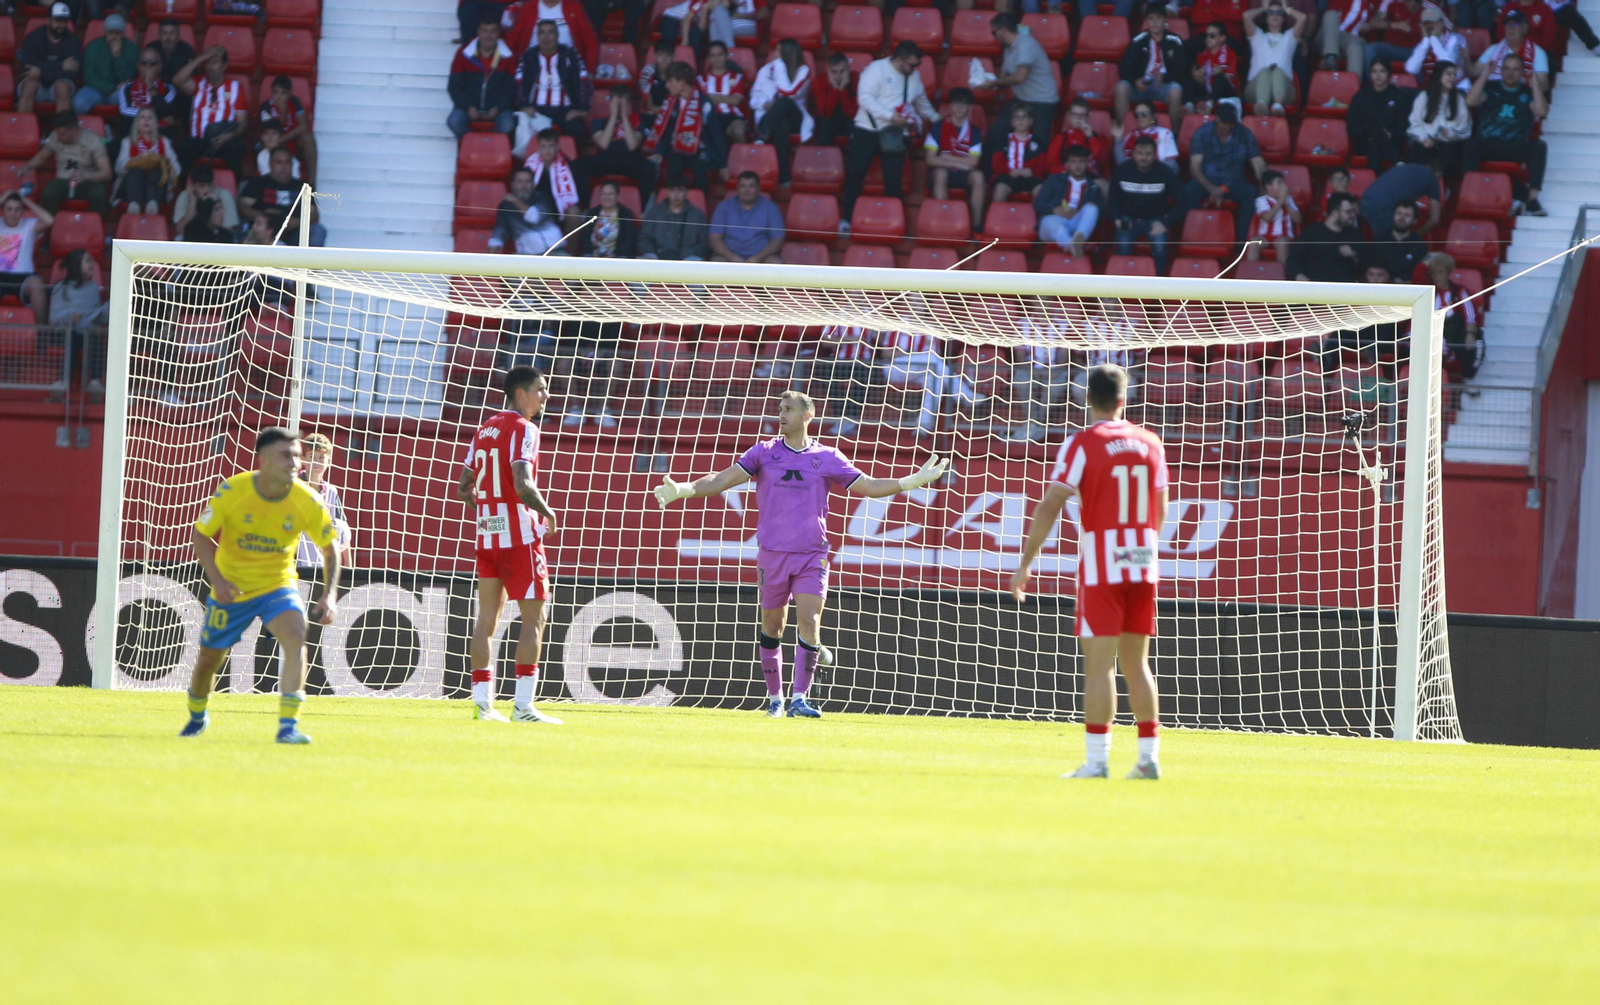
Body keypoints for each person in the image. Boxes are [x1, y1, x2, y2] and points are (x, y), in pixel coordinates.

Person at [653, 392, 949, 718]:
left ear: (808, 415)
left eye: (789, 409)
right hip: (772, 554)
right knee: (773, 625)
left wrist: (911, 481)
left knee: (810, 620)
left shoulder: (827, 456)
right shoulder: (763, 452)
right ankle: (775, 699)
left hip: (812, 555)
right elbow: (722, 479)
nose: (781, 414)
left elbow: (868, 486)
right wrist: (685, 489)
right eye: (780, 409)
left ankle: (799, 699)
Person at [1008, 363, 1167, 781]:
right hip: (1143, 559)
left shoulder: (1082, 443)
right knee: (1138, 664)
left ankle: (1097, 763)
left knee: (1100, 666)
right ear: (1124, 399)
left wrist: (1025, 563)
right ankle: (1148, 759)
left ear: (1087, 398)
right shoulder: (1150, 442)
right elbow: (1161, 507)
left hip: (1102, 563)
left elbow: (1050, 504)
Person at [180, 427, 341, 744]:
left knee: (296, 636)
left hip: (277, 585)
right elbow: (200, 535)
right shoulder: (233, 490)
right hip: (233, 590)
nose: (295, 463)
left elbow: (330, 548)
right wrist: (218, 581)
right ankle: (197, 716)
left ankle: (288, 727)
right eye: (285, 456)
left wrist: (330, 594)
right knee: (209, 661)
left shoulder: (307, 499)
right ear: (263, 460)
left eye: (297, 456)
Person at [457, 367, 565, 723]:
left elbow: (464, 486)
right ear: (521, 394)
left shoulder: (485, 428)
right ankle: (523, 707)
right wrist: (548, 512)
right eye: (541, 389)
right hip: (519, 538)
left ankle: (483, 706)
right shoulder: (524, 428)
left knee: (487, 619)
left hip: (487, 535)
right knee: (535, 618)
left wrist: (488, 508)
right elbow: (522, 483)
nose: (546, 396)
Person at [840, 42, 937, 231]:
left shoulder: (914, 76)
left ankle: (894, 222)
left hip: (895, 133)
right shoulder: (876, 70)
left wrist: (938, 120)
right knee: (855, 174)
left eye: (918, 65)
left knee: (893, 179)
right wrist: (889, 116)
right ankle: (848, 219)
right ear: (899, 60)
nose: (916, 69)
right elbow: (865, 99)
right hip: (867, 129)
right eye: (912, 65)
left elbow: (922, 103)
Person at [1465, 52, 1548, 216]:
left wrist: (1534, 84)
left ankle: (1532, 200)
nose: (1511, 73)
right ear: (1501, 70)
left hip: (1514, 146)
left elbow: (1542, 111)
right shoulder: (1490, 87)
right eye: (1507, 69)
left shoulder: (1527, 92)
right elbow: (1470, 101)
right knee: (1471, 145)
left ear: (1522, 72)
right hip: (1488, 143)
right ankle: (1471, 190)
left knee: (1539, 147)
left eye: (1516, 69)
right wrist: (1485, 74)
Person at [1184, 102, 1266, 241]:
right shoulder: (1202, 133)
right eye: (1224, 123)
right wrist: (1211, 188)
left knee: (1252, 193)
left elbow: (1257, 162)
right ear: (1217, 118)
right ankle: (1191, 236)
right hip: (1207, 181)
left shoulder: (1244, 133)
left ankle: (1241, 241)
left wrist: (1264, 183)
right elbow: (1194, 167)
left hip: (1234, 182)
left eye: (1231, 124)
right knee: (1188, 191)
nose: (1227, 127)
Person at [643, 61, 726, 194]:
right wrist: (659, 152)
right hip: (677, 148)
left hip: (700, 148)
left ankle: (700, 203)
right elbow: (667, 131)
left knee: (701, 172)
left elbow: (716, 133)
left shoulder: (703, 102)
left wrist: (723, 164)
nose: (667, 85)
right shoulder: (671, 102)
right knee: (673, 170)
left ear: (682, 82)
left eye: (670, 81)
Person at [883, 330, 986, 438]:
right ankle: (965, 395)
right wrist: (912, 354)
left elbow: (935, 357)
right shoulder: (898, 327)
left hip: (921, 371)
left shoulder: (930, 331)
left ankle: (923, 426)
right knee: (931, 359)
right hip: (895, 368)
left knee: (936, 379)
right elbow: (885, 353)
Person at [990, 13, 1060, 156]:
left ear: (1002, 31)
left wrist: (993, 83)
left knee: (1039, 143)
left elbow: (1020, 77)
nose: (994, 37)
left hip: (1043, 100)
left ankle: (1036, 170)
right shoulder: (1008, 48)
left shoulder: (1025, 44)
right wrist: (988, 82)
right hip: (1022, 98)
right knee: (996, 132)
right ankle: (994, 168)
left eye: (994, 32)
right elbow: (1004, 76)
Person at [1110, 135, 1181, 274]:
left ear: (1155, 155)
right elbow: (1112, 198)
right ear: (1133, 154)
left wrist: (1165, 223)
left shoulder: (1165, 172)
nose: (1143, 157)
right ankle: (1122, 283)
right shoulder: (1122, 170)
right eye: (1140, 153)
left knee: (1160, 246)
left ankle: (1158, 282)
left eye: (1148, 154)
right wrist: (1116, 218)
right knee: (1122, 244)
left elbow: (1182, 201)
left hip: (1156, 219)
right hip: (1128, 218)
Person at [19, 112, 113, 214]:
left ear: (74, 130)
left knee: (98, 194)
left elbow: (107, 173)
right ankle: (50, 223)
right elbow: (42, 156)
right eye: (57, 133)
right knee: (49, 193)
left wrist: (85, 176)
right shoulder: (54, 137)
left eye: (63, 134)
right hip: (63, 180)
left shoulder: (94, 141)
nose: (59, 137)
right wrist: (27, 166)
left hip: (87, 181)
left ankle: (95, 223)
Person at [174, 45, 247, 174]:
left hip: (224, 141)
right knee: (184, 147)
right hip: (199, 141)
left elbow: (243, 123)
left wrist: (228, 136)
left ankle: (235, 185)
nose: (209, 67)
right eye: (207, 62)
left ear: (224, 66)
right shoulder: (198, 83)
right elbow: (176, 81)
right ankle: (184, 185)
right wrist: (201, 57)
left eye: (214, 62)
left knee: (236, 147)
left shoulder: (235, 87)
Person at [575, 85, 653, 203]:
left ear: (629, 104)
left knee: (650, 168)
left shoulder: (639, 122)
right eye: (616, 104)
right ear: (610, 103)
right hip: (605, 160)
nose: (619, 107)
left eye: (623, 104)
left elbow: (632, 146)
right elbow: (603, 144)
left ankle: (640, 206)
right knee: (578, 165)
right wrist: (613, 117)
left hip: (629, 161)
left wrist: (625, 117)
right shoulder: (599, 122)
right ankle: (586, 205)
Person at [515, 19, 592, 138]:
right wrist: (522, 106)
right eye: (542, 32)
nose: (546, 37)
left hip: (564, 109)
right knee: (515, 125)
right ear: (537, 36)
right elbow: (519, 81)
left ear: (557, 35)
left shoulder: (569, 54)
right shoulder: (529, 55)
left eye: (550, 32)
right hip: (536, 109)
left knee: (577, 128)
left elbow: (584, 80)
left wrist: (580, 109)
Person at [1115, 7, 1187, 134]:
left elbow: (1182, 68)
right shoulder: (1138, 39)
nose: (1154, 22)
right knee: (1121, 87)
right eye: (1151, 18)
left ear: (1165, 20)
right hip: (1141, 86)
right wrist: (1135, 81)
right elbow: (1124, 67)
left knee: (1176, 90)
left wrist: (1165, 77)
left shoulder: (1175, 40)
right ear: (1146, 21)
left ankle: (1174, 135)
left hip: (1163, 85)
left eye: (1158, 18)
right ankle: (1125, 134)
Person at [750, 39, 812, 184]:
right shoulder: (765, 70)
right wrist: (764, 103)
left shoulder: (803, 71)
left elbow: (788, 93)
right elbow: (753, 97)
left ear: (787, 54)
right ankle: (783, 176)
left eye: (778, 50)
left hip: (796, 118)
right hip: (771, 118)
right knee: (782, 123)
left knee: (784, 102)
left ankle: (763, 136)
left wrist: (779, 66)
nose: (774, 53)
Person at [924, 86, 984, 231]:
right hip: (942, 171)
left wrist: (947, 158)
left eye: (964, 104)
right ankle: (942, 222)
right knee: (941, 173)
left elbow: (973, 162)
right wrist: (960, 163)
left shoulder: (974, 131)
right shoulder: (938, 127)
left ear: (969, 108)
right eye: (956, 103)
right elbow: (930, 159)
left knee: (978, 177)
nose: (959, 107)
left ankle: (976, 225)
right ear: (950, 105)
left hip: (962, 173)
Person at [47, 247, 106, 393]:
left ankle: (95, 381)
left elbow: (95, 315)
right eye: (87, 261)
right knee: (73, 337)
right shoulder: (61, 288)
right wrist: (70, 317)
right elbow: (53, 318)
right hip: (63, 333)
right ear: (76, 265)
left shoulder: (93, 288)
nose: (91, 265)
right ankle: (63, 381)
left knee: (92, 339)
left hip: (86, 332)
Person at [239, 146, 325, 245]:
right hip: (264, 233)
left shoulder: (303, 187)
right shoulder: (258, 184)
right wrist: (263, 217)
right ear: (270, 164)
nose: (283, 166)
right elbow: (243, 206)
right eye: (279, 162)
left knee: (318, 230)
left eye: (287, 162)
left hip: (294, 233)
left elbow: (314, 214)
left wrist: (295, 223)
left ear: (292, 165)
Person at [450, 18, 518, 138]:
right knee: (454, 121)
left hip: (498, 109)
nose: (488, 35)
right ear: (478, 32)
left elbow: (511, 89)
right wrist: (468, 107)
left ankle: (492, 145)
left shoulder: (508, 56)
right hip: (469, 107)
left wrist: (497, 108)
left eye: (493, 31)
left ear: (498, 33)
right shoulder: (463, 54)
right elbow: (454, 86)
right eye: (485, 31)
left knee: (508, 125)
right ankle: (472, 143)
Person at [294, 433, 353, 571]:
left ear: (329, 461)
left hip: (323, 569)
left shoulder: (332, 492)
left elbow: (343, 532)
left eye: (321, 457)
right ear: (303, 460)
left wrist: (349, 569)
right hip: (297, 568)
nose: (317, 461)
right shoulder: (294, 488)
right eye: (312, 456)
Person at [1035, 144, 1103, 260]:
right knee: (1058, 228)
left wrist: (1079, 212)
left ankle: (1076, 240)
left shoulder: (1093, 187)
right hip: (1054, 219)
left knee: (1092, 208)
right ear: (1067, 164)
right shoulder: (1054, 180)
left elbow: (1099, 215)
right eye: (1073, 162)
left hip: (1077, 224)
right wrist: (1055, 210)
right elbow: (1038, 204)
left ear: (1087, 163)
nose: (1077, 166)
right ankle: (1073, 245)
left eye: (1081, 161)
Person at [808, 325, 877, 437]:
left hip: (864, 361)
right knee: (825, 374)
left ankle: (850, 418)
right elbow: (826, 341)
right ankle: (842, 416)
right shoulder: (836, 318)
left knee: (867, 378)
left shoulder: (871, 318)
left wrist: (876, 334)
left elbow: (881, 341)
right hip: (839, 360)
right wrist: (850, 339)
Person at [1347, 58, 1414, 171]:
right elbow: (1352, 128)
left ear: (1389, 74)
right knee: (1373, 130)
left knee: (1375, 142)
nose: (1378, 75)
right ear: (1370, 74)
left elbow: (1405, 128)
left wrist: (1390, 134)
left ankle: (1376, 180)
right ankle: (1397, 162)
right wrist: (1371, 131)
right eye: (1374, 71)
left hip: (1392, 143)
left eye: (1382, 71)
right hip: (1364, 143)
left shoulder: (1398, 96)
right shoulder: (1360, 97)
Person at [1406, 60, 1470, 177]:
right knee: (1416, 150)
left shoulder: (1459, 100)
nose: (1452, 77)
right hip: (1426, 143)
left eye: (1454, 74)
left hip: (1448, 145)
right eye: (1449, 74)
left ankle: (1439, 181)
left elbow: (1465, 130)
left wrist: (1450, 133)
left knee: (1450, 152)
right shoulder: (1424, 97)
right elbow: (1414, 125)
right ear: (1439, 75)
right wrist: (1424, 138)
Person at [1243, 1, 1307, 116]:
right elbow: (1246, 16)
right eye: (1270, 13)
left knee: (1277, 71)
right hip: (1255, 89)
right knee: (1265, 71)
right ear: (1266, 18)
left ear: (1283, 18)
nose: (1274, 16)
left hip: (1284, 90)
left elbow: (1303, 18)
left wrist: (1286, 8)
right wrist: (1263, 8)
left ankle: (1278, 105)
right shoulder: (1257, 35)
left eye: (1279, 13)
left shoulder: (1289, 37)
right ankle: (1262, 104)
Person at [1428, 251, 1483, 384]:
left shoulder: (1459, 291)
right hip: (1433, 333)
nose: (1437, 276)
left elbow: (1470, 316)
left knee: (1478, 342)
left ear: (1448, 273)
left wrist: (1470, 333)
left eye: (1441, 272)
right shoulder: (1428, 293)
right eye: (1434, 273)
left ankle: (1469, 380)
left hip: (1455, 332)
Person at [113, 106, 181, 214]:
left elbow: (176, 169)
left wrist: (162, 162)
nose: (146, 120)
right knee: (135, 171)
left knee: (156, 170)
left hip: (157, 191)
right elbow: (118, 168)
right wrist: (137, 160)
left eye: (150, 118)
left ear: (155, 123)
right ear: (137, 123)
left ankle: (152, 205)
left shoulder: (164, 142)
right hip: (131, 189)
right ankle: (134, 206)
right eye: (142, 117)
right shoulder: (127, 142)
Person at [18, 3, 82, 116]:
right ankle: (22, 126)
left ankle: (63, 127)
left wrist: (41, 71)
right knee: (29, 86)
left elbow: (72, 73)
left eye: (64, 21)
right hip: (37, 84)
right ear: (48, 21)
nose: (62, 25)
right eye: (58, 21)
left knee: (62, 87)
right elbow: (27, 68)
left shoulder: (73, 40)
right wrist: (61, 65)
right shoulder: (33, 37)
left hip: (60, 84)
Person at [710, 170, 784, 263]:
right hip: (729, 257)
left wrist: (758, 257)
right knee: (716, 262)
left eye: (751, 186)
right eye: (742, 186)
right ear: (737, 189)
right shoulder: (723, 207)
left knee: (776, 263)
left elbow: (778, 239)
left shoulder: (771, 208)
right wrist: (732, 257)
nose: (747, 190)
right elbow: (715, 237)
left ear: (759, 189)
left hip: (762, 257)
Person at [0, 190, 53, 322]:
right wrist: (3, 198)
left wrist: (25, 200)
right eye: (9, 209)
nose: (13, 213)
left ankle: (41, 332)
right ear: (3, 210)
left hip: (23, 277)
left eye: (17, 209)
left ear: (22, 211)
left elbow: (49, 220)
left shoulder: (29, 224)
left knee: (37, 284)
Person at [1287, 191, 1362, 282]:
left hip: (1344, 287)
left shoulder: (1354, 234)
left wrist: (1353, 255)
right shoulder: (1312, 232)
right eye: (1348, 212)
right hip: (1315, 286)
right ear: (1334, 213)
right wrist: (1298, 275)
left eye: (1353, 211)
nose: (1353, 215)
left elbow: (1365, 266)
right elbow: (1294, 259)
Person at [488, 166, 565, 254]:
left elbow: (534, 217)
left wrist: (515, 200)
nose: (523, 186)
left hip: (556, 252)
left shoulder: (543, 197)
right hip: (528, 255)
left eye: (527, 181)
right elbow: (499, 232)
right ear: (513, 185)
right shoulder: (506, 206)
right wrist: (489, 257)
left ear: (533, 185)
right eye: (519, 182)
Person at [75, 11, 136, 115]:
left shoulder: (132, 49)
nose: (114, 36)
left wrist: (117, 57)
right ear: (104, 31)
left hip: (118, 92)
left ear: (123, 33)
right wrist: (112, 87)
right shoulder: (92, 47)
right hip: (95, 90)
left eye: (118, 33)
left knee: (128, 99)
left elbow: (128, 78)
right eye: (111, 32)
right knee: (79, 103)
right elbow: (89, 78)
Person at [1359, 158, 1443, 233]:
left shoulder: (1406, 167)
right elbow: (1434, 219)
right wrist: (1419, 233)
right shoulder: (1432, 178)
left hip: (1365, 201)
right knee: (1390, 241)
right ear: (1439, 174)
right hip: (1383, 209)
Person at [638, 175, 710, 260]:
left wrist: (687, 253)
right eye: (672, 190)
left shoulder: (698, 215)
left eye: (680, 190)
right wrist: (654, 252)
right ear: (667, 191)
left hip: (688, 259)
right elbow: (644, 239)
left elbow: (704, 244)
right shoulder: (654, 212)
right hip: (658, 258)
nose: (676, 195)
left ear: (686, 192)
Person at [116, 47, 182, 138]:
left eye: (153, 63)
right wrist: (154, 117)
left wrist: (150, 86)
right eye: (144, 63)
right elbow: (125, 112)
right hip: (133, 137)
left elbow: (165, 111)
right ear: (138, 66)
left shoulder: (169, 89)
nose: (148, 67)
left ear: (160, 66)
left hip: (160, 137)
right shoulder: (126, 88)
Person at [988, 104, 1045, 208]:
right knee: (1000, 188)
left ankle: (1038, 218)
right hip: (1008, 176)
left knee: (1040, 189)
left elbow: (1043, 164)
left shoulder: (1038, 143)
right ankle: (996, 217)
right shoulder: (1002, 141)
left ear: (1031, 121)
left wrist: (1032, 171)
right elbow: (996, 164)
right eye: (1017, 117)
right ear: (1012, 121)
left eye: (1024, 117)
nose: (1020, 120)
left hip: (1030, 177)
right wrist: (1008, 171)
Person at [1480, 11, 1548, 91]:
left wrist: (1529, 89)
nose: (1511, 28)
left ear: (1525, 28)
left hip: (1524, 96)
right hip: (1495, 95)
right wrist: (1467, 59)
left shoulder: (1538, 52)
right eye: (1508, 24)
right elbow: (1474, 71)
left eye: (1515, 24)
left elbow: (1544, 84)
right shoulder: (1493, 49)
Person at [1404, 5, 1473, 83]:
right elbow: (1411, 69)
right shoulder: (1423, 42)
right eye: (1426, 23)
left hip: (1458, 85)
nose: (1430, 26)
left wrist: (1434, 38)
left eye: (1433, 23)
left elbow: (1448, 64)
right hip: (1433, 87)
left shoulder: (1455, 38)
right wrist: (1425, 42)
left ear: (1442, 23)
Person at [697, 40, 748, 145]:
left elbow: (736, 100)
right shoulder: (700, 80)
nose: (717, 59)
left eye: (720, 54)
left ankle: (742, 156)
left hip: (731, 116)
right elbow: (699, 102)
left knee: (738, 130)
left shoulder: (737, 77)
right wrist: (726, 98)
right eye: (713, 55)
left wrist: (712, 97)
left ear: (726, 56)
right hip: (708, 117)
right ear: (708, 58)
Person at [570, 179, 638, 257]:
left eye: (610, 194)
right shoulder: (592, 213)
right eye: (604, 194)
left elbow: (629, 241)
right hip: (593, 255)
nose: (606, 197)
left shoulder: (626, 214)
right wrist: (592, 251)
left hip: (617, 256)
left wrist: (615, 254)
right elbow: (585, 238)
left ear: (618, 196)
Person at [1185, 21, 1242, 115]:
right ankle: (1189, 106)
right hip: (1210, 91)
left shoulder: (1230, 54)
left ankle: (1209, 105)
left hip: (1228, 93)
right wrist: (1199, 78)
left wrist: (1221, 73)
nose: (1208, 38)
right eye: (1206, 35)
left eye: (1212, 36)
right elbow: (1205, 82)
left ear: (1222, 38)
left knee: (1219, 77)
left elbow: (1229, 78)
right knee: (1189, 79)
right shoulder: (1202, 55)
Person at [1366, 200, 1429, 281]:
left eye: (1407, 215)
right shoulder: (1380, 240)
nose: (1401, 218)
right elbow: (1373, 269)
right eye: (1399, 213)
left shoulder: (1419, 245)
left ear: (1414, 221)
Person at [1247, 168, 1300, 262]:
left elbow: (1298, 220)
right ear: (1268, 186)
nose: (1283, 186)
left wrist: (1286, 203)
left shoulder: (1289, 199)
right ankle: (1252, 270)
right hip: (1264, 236)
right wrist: (1280, 201)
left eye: (1283, 183)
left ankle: (1284, 270)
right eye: (1279, 183)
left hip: (1284, 236)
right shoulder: (1261, 200)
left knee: (1282, 243)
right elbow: (1267, 218)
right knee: (1254, 243)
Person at [172, 164, 239, 234]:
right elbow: (181, 230)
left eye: (210, 185)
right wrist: (192, 203)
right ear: (193, 186)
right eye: (202, 186)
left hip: (216, 236)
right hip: (191, 237)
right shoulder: (184, 196)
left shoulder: (224, 195)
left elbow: (229, 229)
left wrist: (215, 206)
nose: (207, 190)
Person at [810, 52, 858, 147]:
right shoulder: (819, 81)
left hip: (848, 119)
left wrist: (843, 89)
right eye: (834, 72)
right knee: (825, 124)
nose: (838, 76)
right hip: (829, 120)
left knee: (856, 126)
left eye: (842, 71)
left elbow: (852, 114)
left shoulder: (856, 79)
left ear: (848, 69)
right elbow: (826, 113)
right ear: (828, 71)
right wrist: (835, 89)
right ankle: (822, 155)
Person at [1115, 101, 1179, 170]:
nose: (1140, 117)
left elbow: (1171, 166)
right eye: (1137, 115)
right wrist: (1118, 140)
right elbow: (1121, 164)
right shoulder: (1130, 136)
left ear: (1153, 116)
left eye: (1144, 114)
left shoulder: (1166, 134)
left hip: (1159, 174)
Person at [1365, 0, 1424, 67]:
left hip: (1414, 50)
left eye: (1417, 1)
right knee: (1370, 49)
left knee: (1422, 54)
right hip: (1391, 48)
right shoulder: (1391, 2)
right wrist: (1395, 25)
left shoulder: (1429, 8)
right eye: (1409, 0)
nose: (1413, 3)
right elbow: (1374, 22)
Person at [1319, 0, 1372, 73]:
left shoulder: (1371, 3)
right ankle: (1330, 57)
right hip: (1328, 36)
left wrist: (1370, 25)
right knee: (1331, 14)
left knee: (1355, 48)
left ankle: (1353, 79)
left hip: (1350, 39)